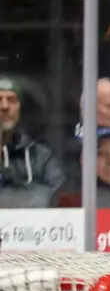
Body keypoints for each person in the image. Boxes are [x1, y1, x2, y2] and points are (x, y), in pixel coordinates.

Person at [0, 77, 64, 208]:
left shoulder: (40, 155)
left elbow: (57, 194)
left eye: (12, 100)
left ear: (20, 108)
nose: (5, 106)